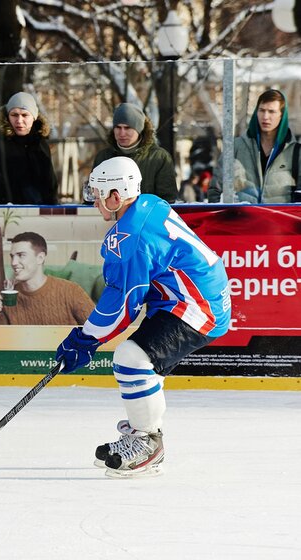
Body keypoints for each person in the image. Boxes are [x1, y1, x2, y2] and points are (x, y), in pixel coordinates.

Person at [55, 156, 230, 477]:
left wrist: (85, 338)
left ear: (116, 196)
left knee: (131, 359)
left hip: (196, 306)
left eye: (98, 193)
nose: (94, 200)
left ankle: (148, 442)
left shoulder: (129, 238)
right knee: (144, 362)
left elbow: (122, 304)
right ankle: (143, 430)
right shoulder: (147, 203)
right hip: (187, 297)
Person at [208, 89, 299, 203]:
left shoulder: (296, 152)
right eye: (262, 110)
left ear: (282, 115)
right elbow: (215, 191)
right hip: (242, 219)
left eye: (271, 111)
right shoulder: (235, 147)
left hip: (278, 220)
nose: (265, 117)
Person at [0, 232, 94, 325]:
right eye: (12, 256)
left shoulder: (71, 291)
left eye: (21, 255)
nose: (14, 263)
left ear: (40, 258)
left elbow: (101, 329)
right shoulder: (6, 298)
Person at [0, 92, 58, 205]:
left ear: (34, 117)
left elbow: (50, 184)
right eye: (14, 115)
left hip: (39, 213)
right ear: (7, 116)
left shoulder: (40, 144)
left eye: (25, 115)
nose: (19, 120)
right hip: (4, 212)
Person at [92, 103, 177, 203]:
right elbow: (93, 195)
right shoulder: (104, 157)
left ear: (139, 129)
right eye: (118, 127)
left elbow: (167, 199)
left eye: (127, 128)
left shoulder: (159, 158)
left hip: (146, 216)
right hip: (107, 216)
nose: (122, 133)